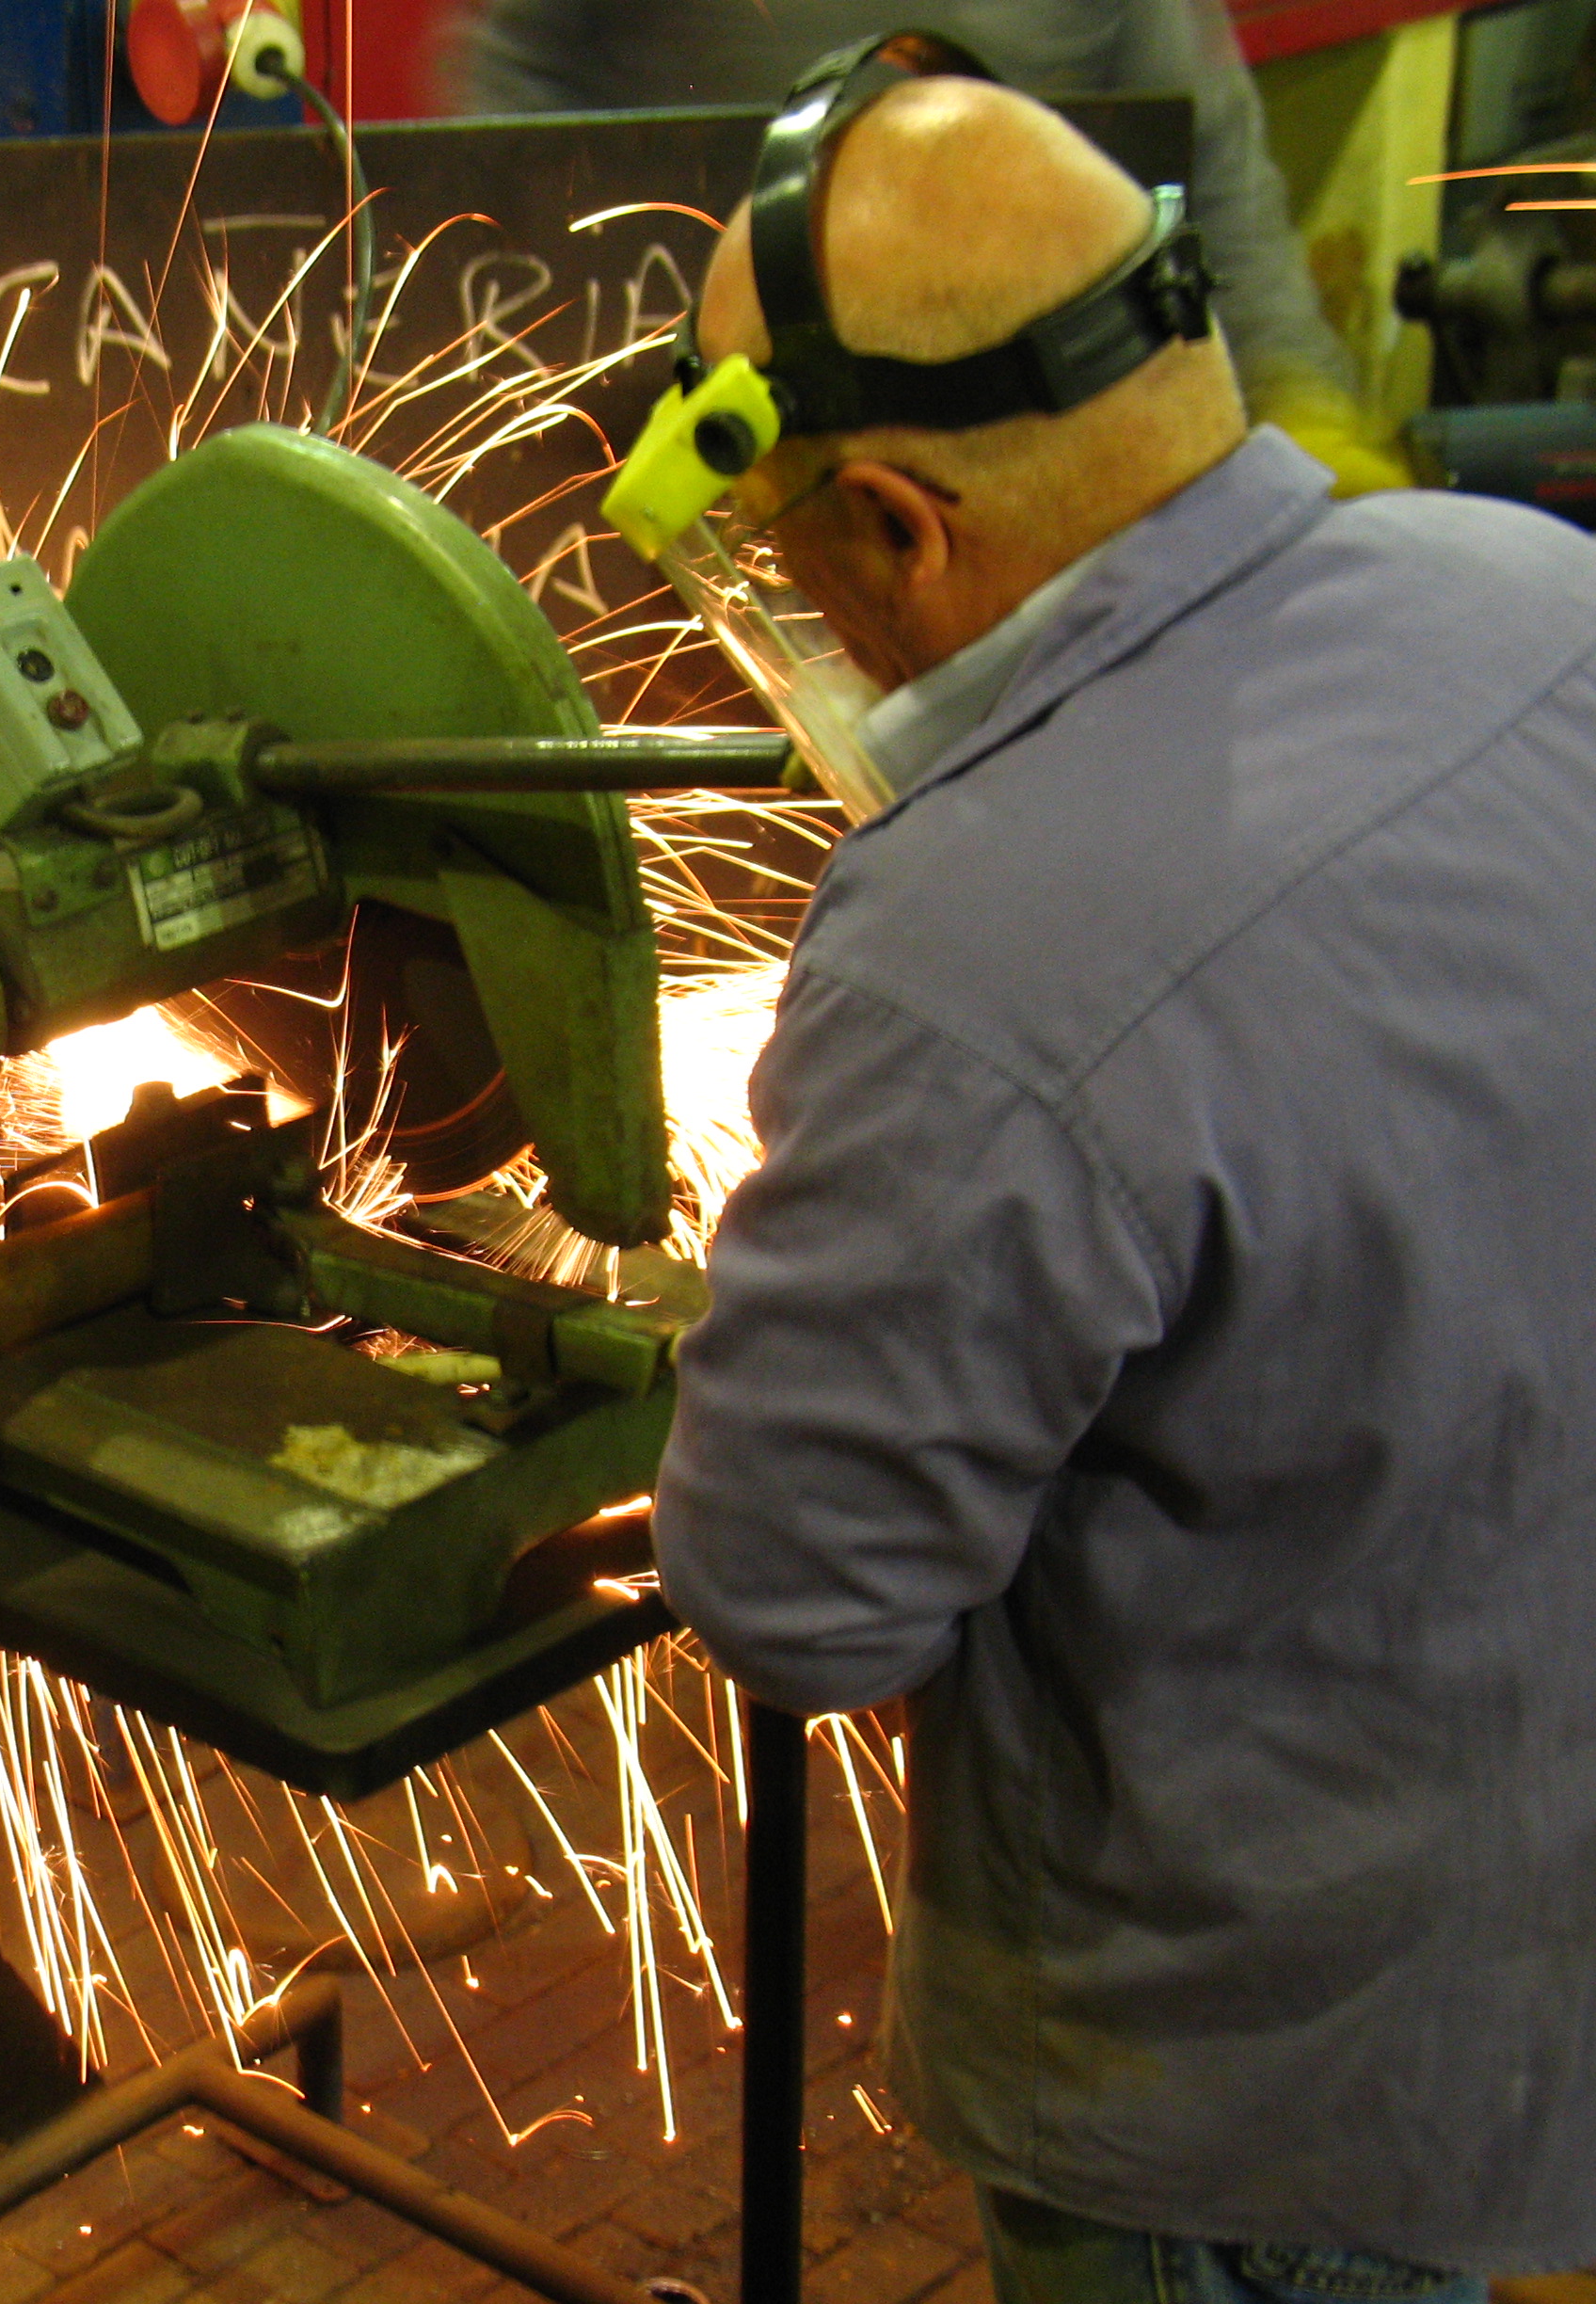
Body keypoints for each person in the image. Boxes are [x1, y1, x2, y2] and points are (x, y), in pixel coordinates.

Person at [607, 38, 1596, 2299]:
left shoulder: (969, 943)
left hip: (1251, 2101)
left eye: (795, 552)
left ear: (896, 524)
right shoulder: (1532, 587)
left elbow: (798, 1598)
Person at [453, 0, 1405, 493]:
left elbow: (1203, 156)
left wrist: (1292, 387)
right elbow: (518, 96)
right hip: (700, 405)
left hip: (1005, 428)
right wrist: (606, 346)